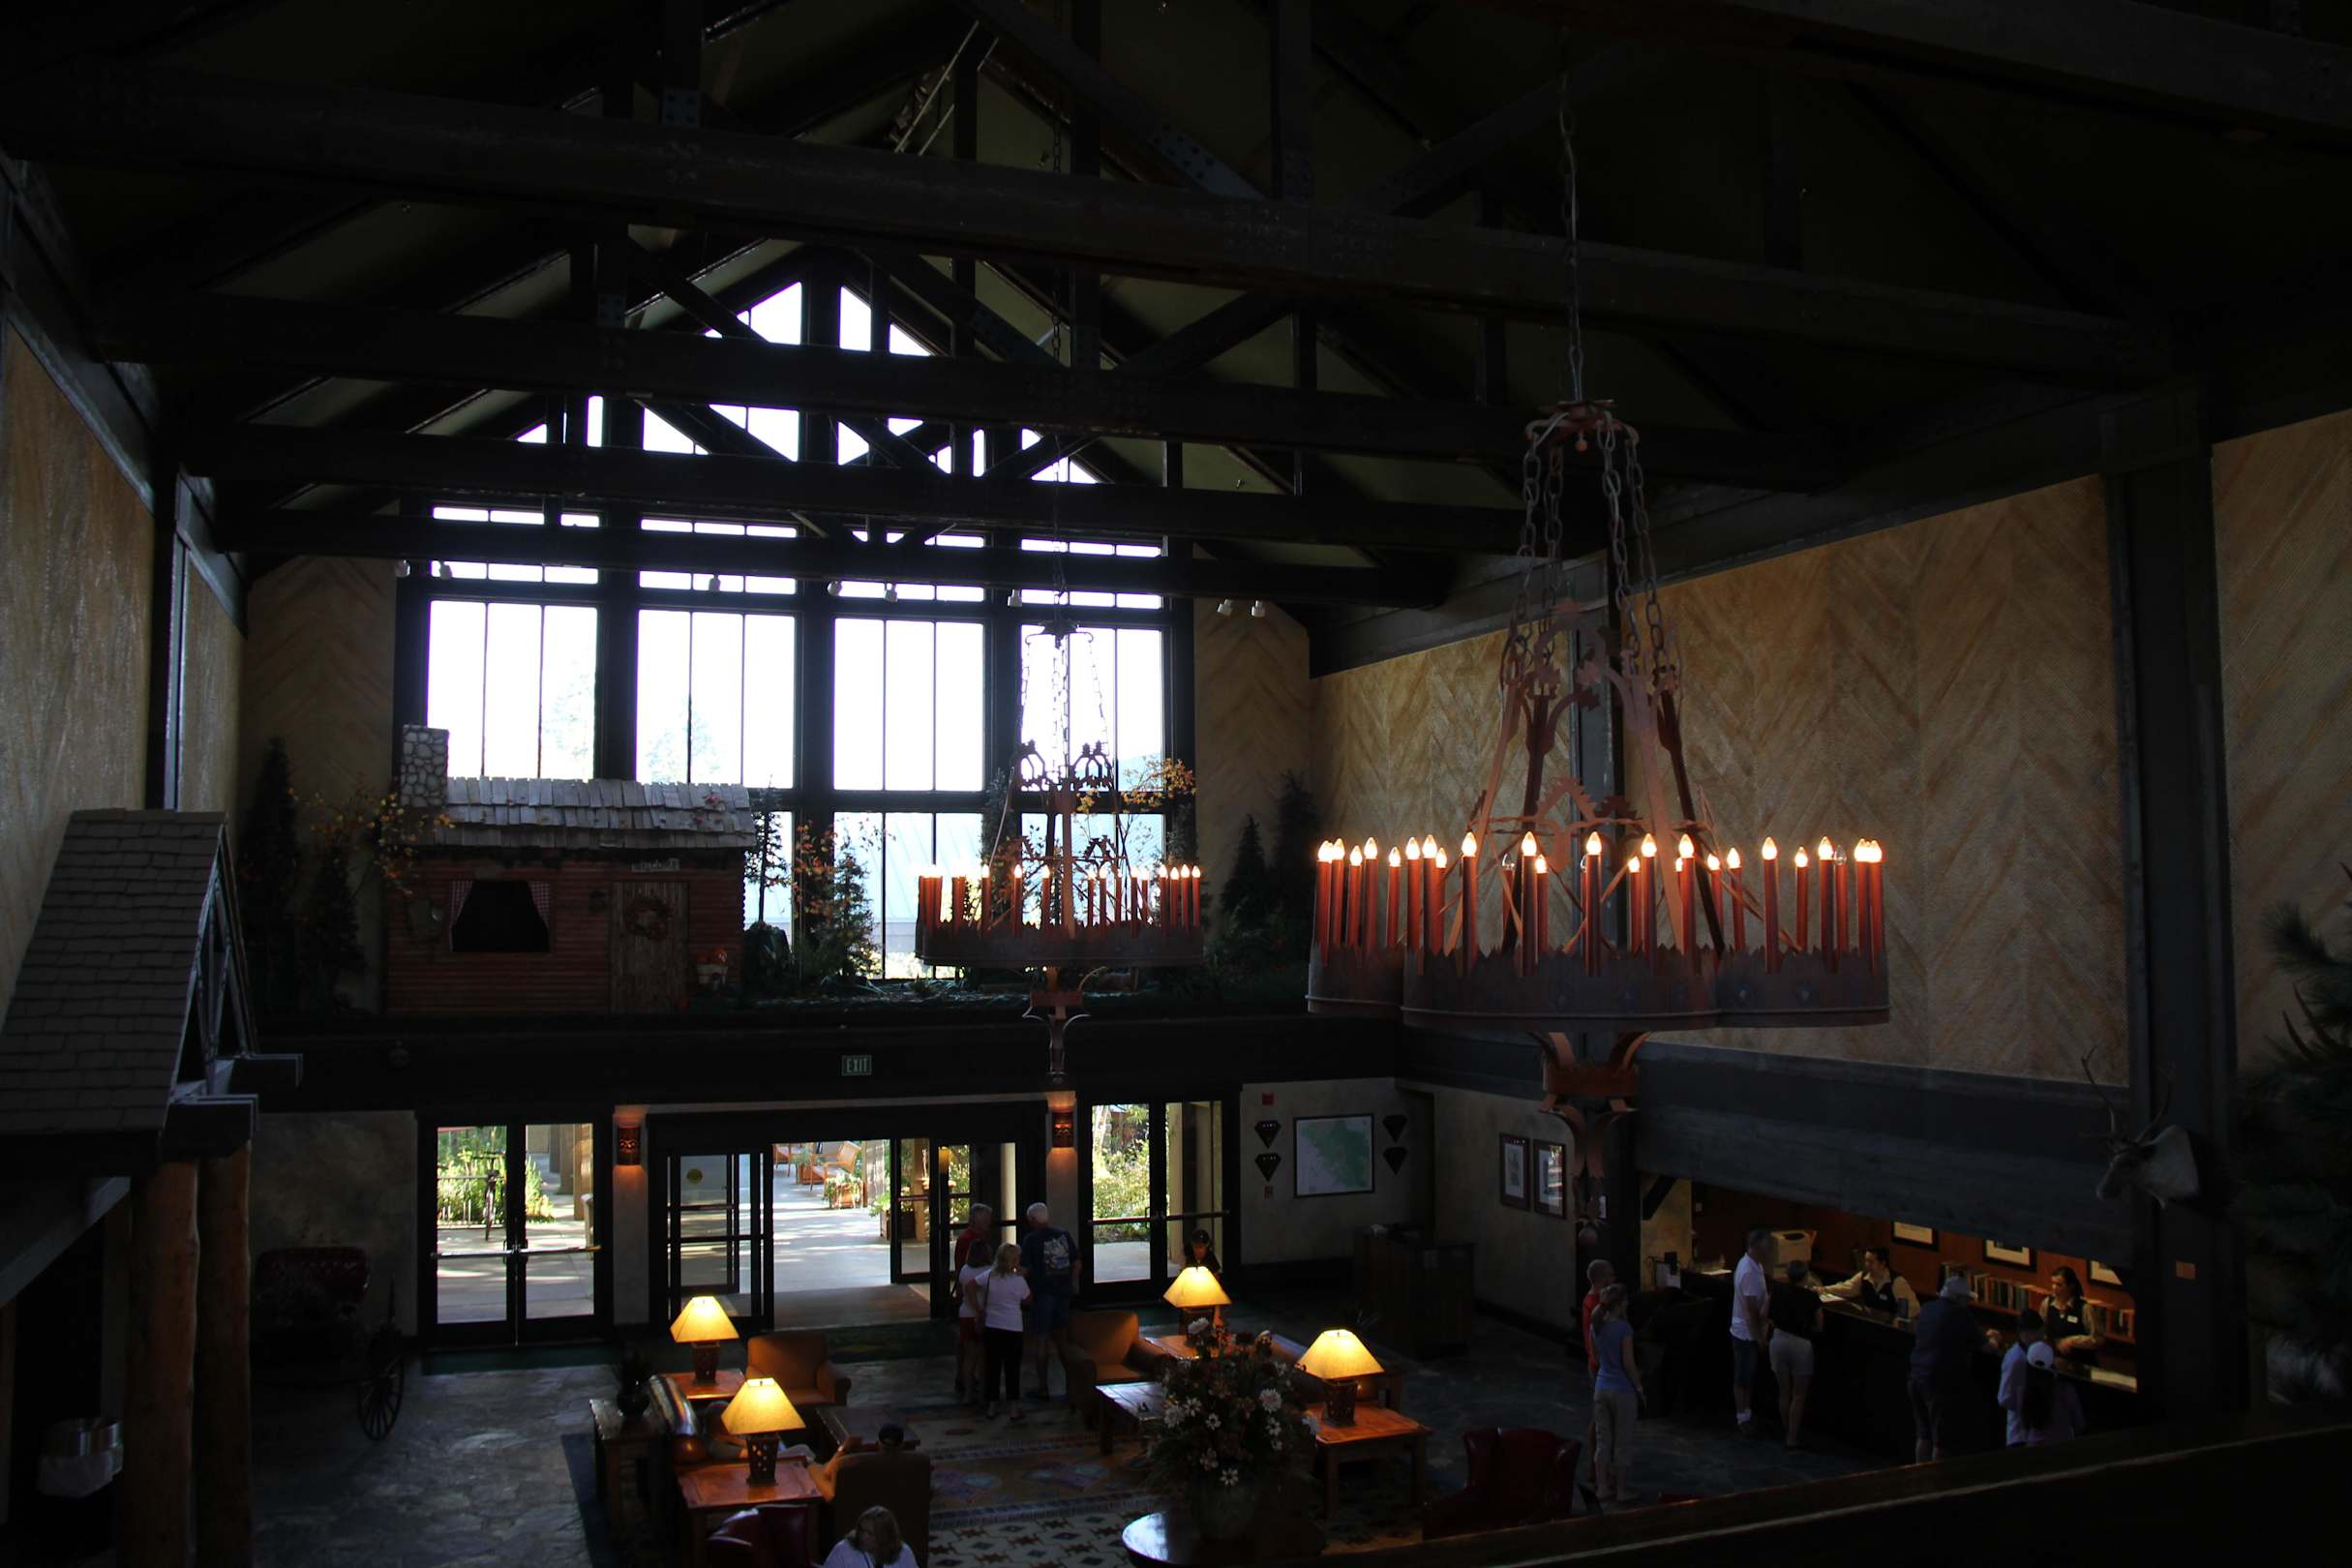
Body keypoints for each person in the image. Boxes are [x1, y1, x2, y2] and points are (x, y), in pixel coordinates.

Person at [1908, 1272, 1997, 1462]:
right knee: (1941, 1441)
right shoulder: (1960, 1314)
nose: (1967, 1303)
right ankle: (1938, 1477)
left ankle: (1919, 1475)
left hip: (1916, 1377)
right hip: (1939, 1383)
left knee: (1924, 1434)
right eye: (1966, 1299)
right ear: (1958, 1298)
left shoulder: (1927, 1308)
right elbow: (1987, 1348)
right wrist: (1994, 1338)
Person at [1588, 1283, 1646, 1507]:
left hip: (1601, 1387)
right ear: (1619, 1304)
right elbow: (1629, 1364)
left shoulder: (1596, 1326)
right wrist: (1639, 1387)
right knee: (1622, 1441)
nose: (1628, 1304)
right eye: (1626, 1301)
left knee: (1603, 1440)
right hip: (1622, 1391)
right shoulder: (1624, 1329)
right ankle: (1621, 1490)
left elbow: (1595, 1356)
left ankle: (1602, 1487)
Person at [1017, 1202, 1077, 1401]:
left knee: (1041, 1340)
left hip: (1042, 1294)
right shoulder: (1064, 1234)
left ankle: (1043, 1387)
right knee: (1062, 1340)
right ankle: (1072, 1384)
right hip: (1063, 1293)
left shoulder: (1031, 1240)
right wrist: (1072, 1283)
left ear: (1033, 1220)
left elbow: (1025, 1269)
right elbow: (1077, 1262)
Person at [1768, 1260, 1824, 1449]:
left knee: (1783, 1391)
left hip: (1778, 1340)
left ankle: (1785, 1429)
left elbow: (1766, 1313)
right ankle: (1792, 1437)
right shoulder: (1811, 1297)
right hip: (1801, 1344)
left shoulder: (1777, 1290)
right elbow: (1820, 1325)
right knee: (1798, 1395)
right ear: (1805, 1276)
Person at [975, 1241, 1031, 1421]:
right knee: (1012, 1368)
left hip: (992, 1326)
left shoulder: (989, 1276)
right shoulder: (1018, 1281)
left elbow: (970, 1285)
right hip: (1013, 1327)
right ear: (1014, 1261)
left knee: (993, 1367)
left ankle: (992, 1406)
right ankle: (1013, 1408)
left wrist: (979, 1309)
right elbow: (1028, 1299)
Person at [1729, 1228, 1773, 1438]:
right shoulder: (1748, 1271)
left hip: (1749, 1332)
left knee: (1749, 1376)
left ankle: (1747, 1413)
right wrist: (1759, 1338)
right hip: (1745, 1334)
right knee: (1743, 1376)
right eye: (1766, 1246)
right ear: (1756, 1247)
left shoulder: (1755, 1266)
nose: (1769, 1250)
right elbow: (1751, 1311)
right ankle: (1742, 1417)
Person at [1579, 1258, 1614, 1504]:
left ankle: (1596, 1466)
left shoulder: (1590, 1301)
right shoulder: (1595, 1306)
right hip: (1600, 1367)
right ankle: (1598, 1468)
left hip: (1596, 1365)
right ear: (1602, 1279)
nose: (1614, 1278)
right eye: (1610, 1275)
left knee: (1598, 1418)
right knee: (1601, 1421)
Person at [1823, 1246, 1919, 1319]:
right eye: (1866, 1261)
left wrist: (1897, 1319)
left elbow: (1914, 1307)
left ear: (1882, 1263)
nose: (1866, 1265)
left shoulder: (1897, 1281)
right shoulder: (1863, 1276)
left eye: (1871, 1262)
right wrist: (1823, 1289)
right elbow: (1846, 1288)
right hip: (1870, 1322)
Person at [2019, 1340, 2086, 1446]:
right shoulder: (2067, 1391)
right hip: (2063, 1449)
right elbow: (2079, 1425)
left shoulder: (2024, 1392)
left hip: (2033, 1450)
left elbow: (2024, 1426)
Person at [1997, 1309, 2045, 1446]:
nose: (2041, 1337)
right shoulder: (2016, 1359)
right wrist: (2027, 1405)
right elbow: (2004, 1398)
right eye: (2037, 1333)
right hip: (2020, 1434)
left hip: (2035, 1431)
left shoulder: (2036, 1352)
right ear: (2025, 1333)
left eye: (2041, 1333)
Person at [820, 1503, 920, 1568]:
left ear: (884, 1536)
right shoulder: (843, 1550)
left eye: (870, 1533)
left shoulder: (903, 1552)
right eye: (862, 1530)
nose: (863, 1536)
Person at [2041, 1265, 2104, 1365]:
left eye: (2059, 1285)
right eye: (2053, 1283)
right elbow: (2042, 1330)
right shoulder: (2047, 1304)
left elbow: (2098, 1339)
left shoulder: (2084, 1308)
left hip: (2081, 1363)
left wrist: (2072, 1341)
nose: (2054, 1288)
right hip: (2056, 1360)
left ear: (2071, 1286)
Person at [953, 1239, 991, 1406]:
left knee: (969, 1357)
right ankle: (983, 1393)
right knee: (983, 1358)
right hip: (984, 1316)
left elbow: (962, 1290)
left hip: (966, 1314)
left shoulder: (965, 1270)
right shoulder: (989, 1271)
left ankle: (968, 1393)